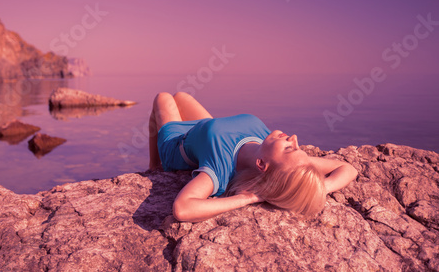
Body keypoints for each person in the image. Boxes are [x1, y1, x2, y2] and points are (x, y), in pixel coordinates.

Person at [149, 92, 358, 223]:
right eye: (297, 146)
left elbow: (183, 209)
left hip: (177, 142)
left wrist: (248, 198)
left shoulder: (219, 168)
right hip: (205, 129)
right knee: (182, 95)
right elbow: (347, 168)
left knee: (163, 97)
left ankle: (154, 164)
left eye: (289, 149)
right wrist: (316, 189)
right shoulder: (286, 161)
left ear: (262, 164)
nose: (293, 139)